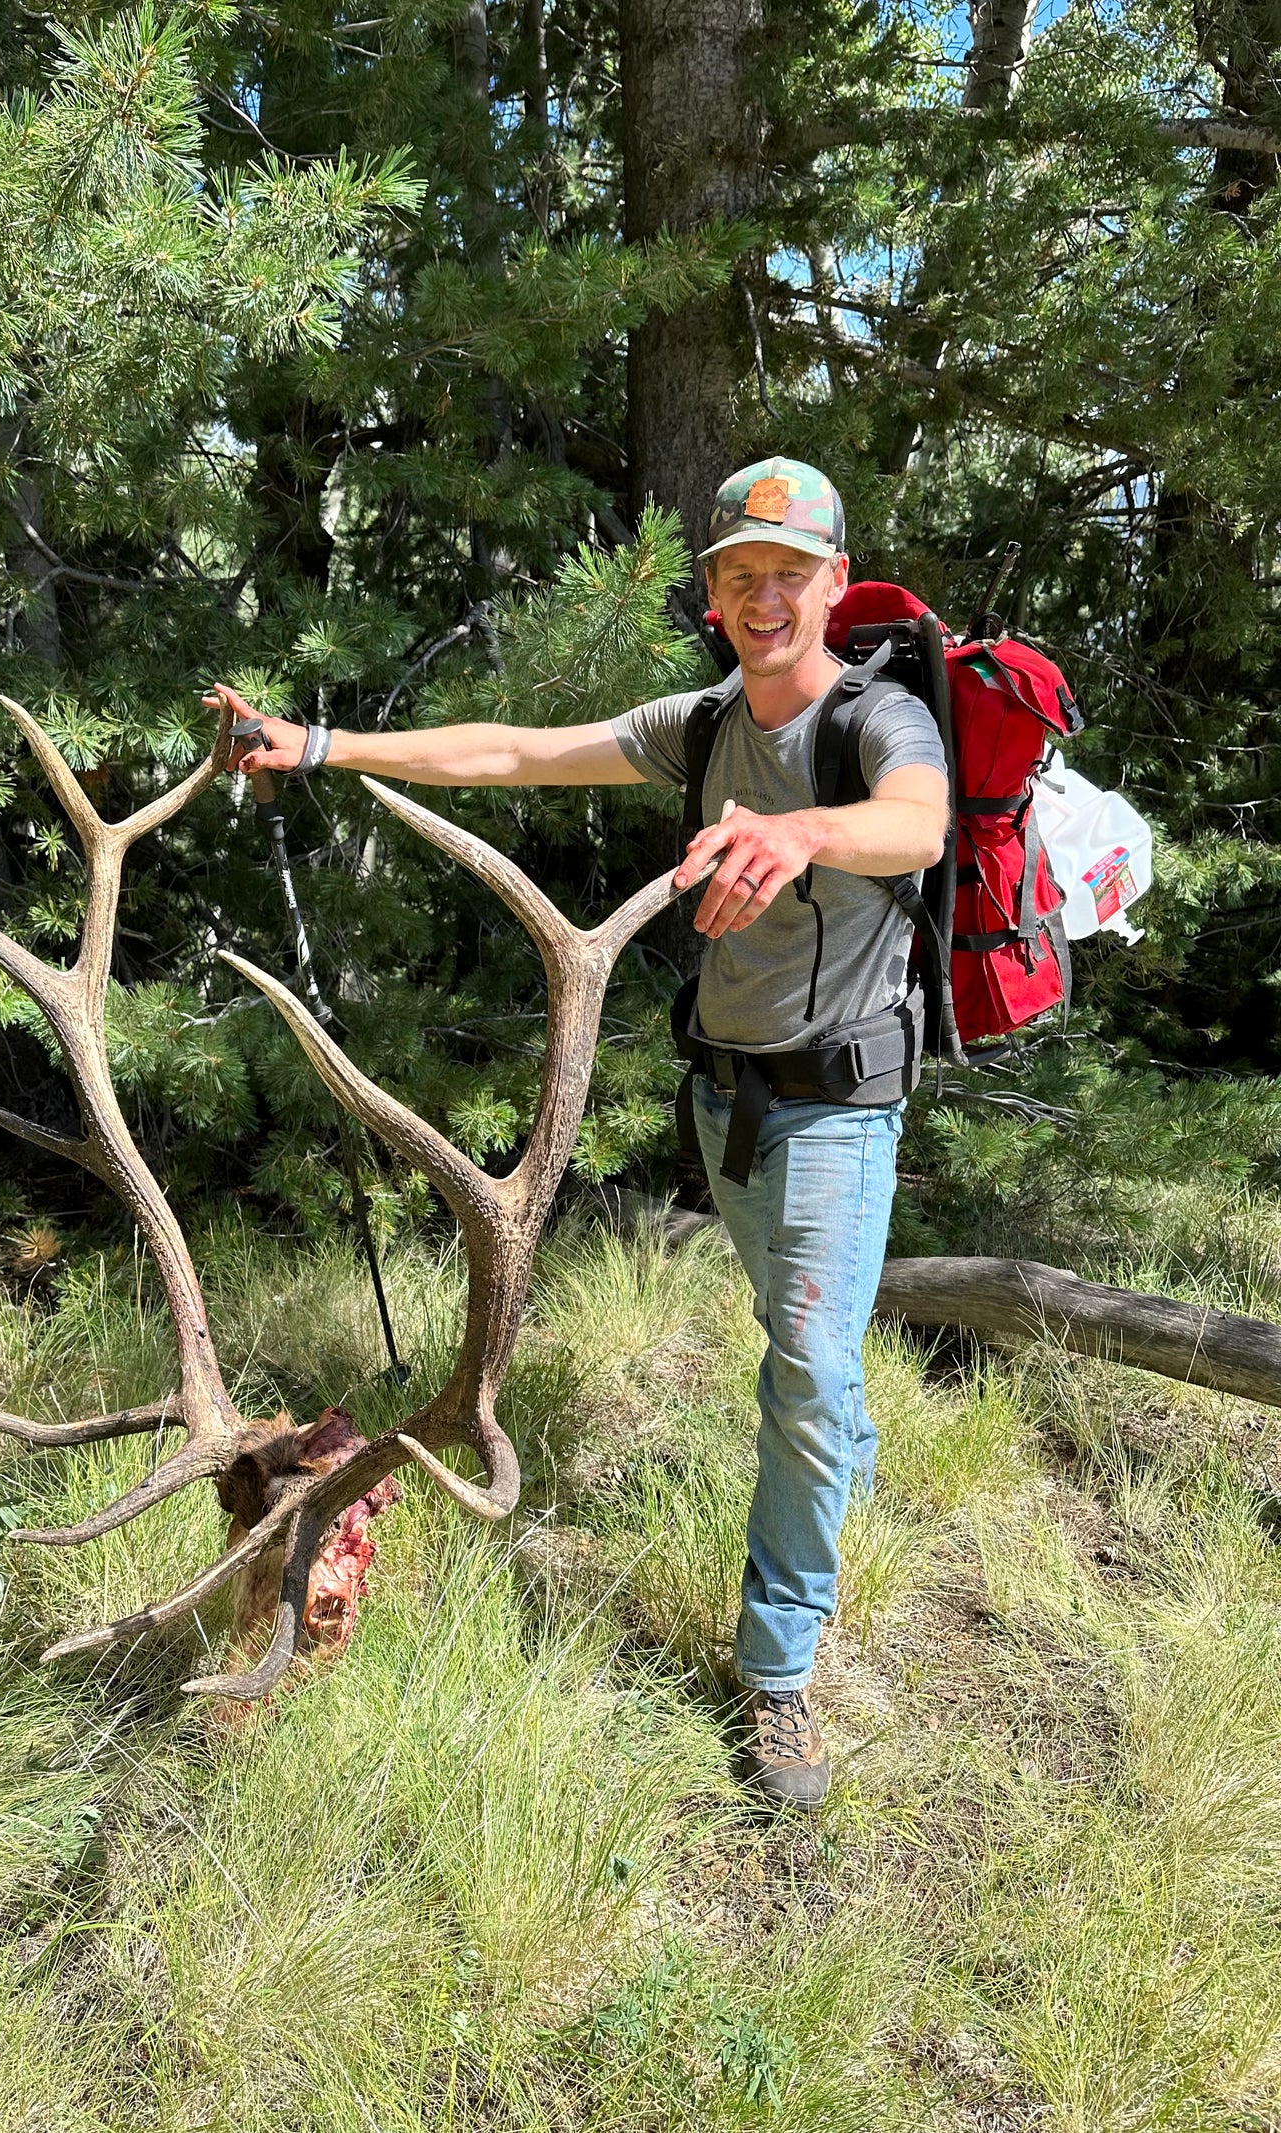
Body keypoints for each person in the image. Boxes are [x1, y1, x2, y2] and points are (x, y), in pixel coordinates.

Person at [206, 458, 949, 1808]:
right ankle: (835, 1481)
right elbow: (519, 753)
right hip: (726, 1104)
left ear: (835, 583)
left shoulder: (878, 718)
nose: (765, 597)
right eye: (740, 576)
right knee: (815, 1369)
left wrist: (798, 834)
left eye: (791, 573)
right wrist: (319, 746)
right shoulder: (705, 720)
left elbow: (917, 822)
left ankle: (778, 1676)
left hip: (841, 1106)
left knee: (798, 1369)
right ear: (715, 595)